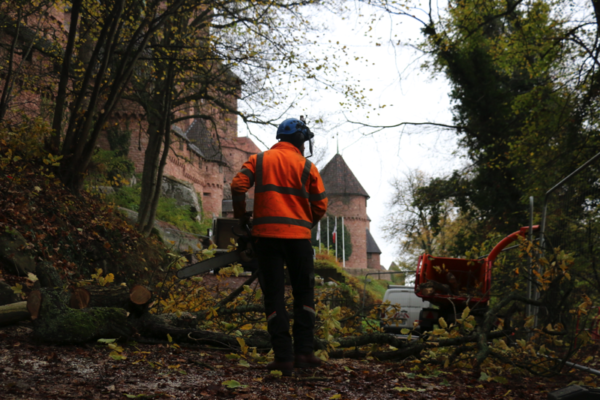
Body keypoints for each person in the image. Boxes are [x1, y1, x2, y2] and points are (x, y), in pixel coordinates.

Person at [230, 117, 328, 376]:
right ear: (301, 141)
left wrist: (242, 216)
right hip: (299, 242)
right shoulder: (308, 167)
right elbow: (321, 206)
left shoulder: (259, 160)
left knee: (274, 297)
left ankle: (283, 357)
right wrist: (305, 223)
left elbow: (237, 185)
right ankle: (304, 353)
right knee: (304, 295)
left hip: (267, 240)